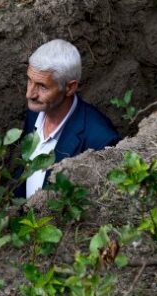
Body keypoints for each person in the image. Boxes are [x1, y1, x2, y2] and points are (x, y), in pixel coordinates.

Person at [20, 39, 121, 198]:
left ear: (70, 87)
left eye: (42, 86)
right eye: (29, 81)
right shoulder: (36, 112)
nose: (29, 94)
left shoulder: (100, 140)